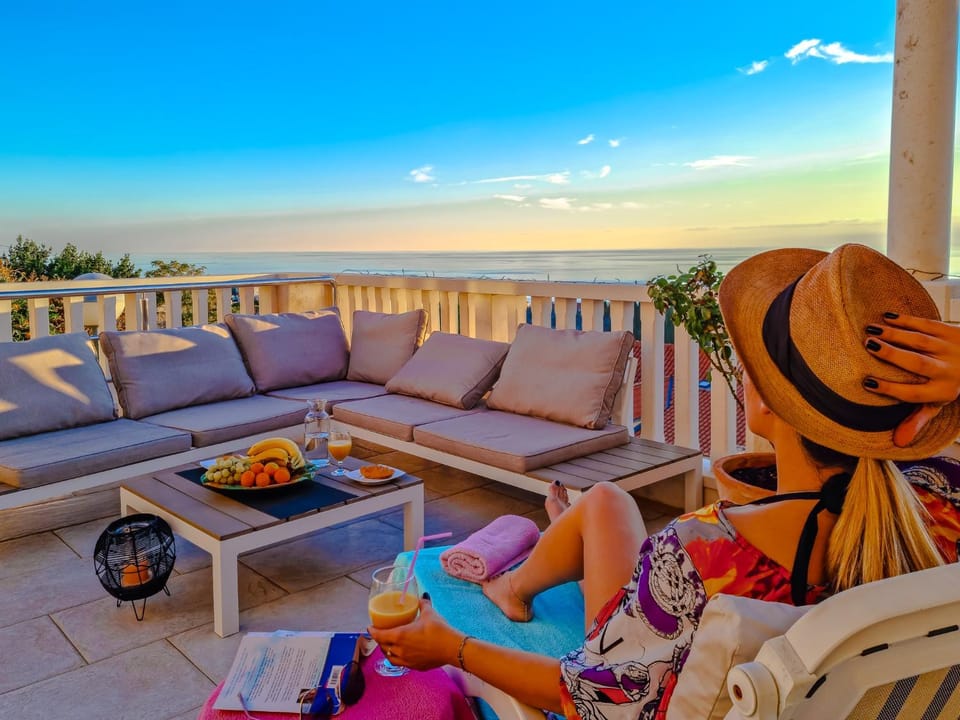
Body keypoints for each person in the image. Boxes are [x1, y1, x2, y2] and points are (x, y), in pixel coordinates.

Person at [369, 244, 960, 720]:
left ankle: (517, 585)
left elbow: (589, 699)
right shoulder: (944, 497)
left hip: (637, 681)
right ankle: (528, 574)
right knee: (605, 501)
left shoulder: (701, 553)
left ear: (767, 403)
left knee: (603, 506)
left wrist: (451, 647)